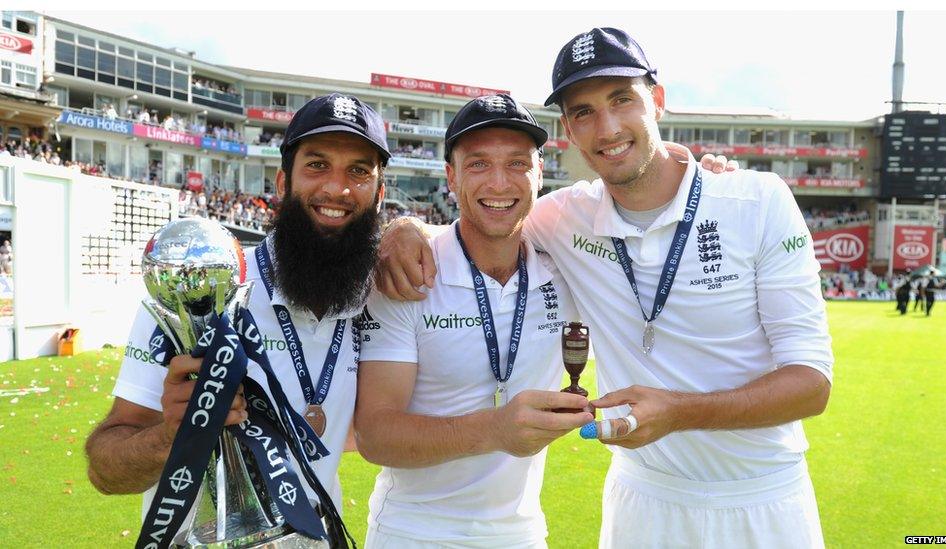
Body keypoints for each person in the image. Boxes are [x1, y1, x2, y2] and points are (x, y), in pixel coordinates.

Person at [378, 27, 832, 549]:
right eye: (584, 111)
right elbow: (485, 220)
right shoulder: (565, 216)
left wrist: (680, 412)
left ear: (657, 102)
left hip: (763, 501)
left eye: (622, 100)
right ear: (569, 130)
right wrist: (402, 228)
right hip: (642, 501)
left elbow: (812, 383)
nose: (608, 126)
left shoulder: (757, 201)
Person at [85, 93, 390, 541]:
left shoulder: (377, 297)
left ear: (379, 194)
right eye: (317, 165)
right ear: (283, 183)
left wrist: (409, 229)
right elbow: (104, 471)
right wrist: (174, 435)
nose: (336, 189)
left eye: (359, 171)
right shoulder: (203, 291)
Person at [355, 94, 593, 548]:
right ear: (452, 176)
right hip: (414, 533)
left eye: (518, 164)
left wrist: (710, 180)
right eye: (479, 164)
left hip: (522, 533)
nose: (500, 183)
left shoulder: (568, 266)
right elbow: (375, 434)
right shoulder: (409, 272)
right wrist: (496, 429)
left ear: (539, 173)